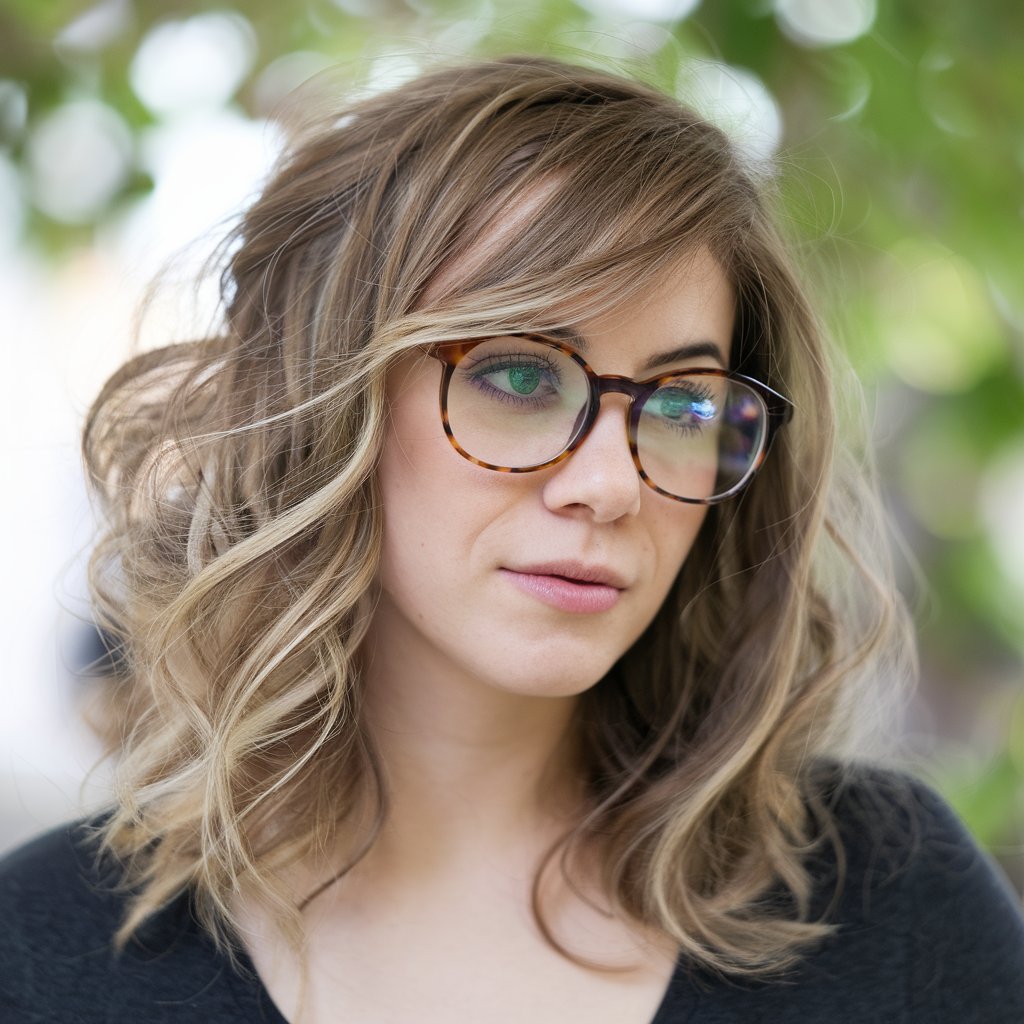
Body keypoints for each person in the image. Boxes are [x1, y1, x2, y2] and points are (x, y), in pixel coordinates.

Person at [1, 55, 1022, 1023]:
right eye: (521, 377)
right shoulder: (40, 955)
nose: (610, 484)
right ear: (324, 404)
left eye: (682, 403)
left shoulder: (891, 907)